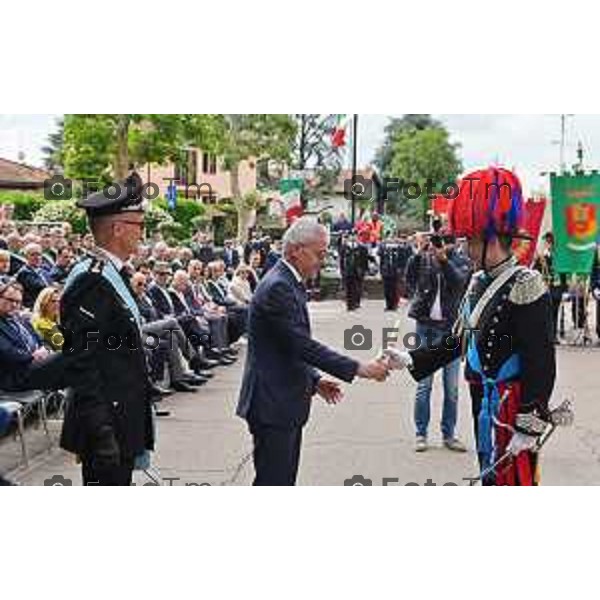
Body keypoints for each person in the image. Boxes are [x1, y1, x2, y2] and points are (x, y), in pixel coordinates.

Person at [386, 167, 557, 486]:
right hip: (484, 401)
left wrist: (528, 425)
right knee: (488, 475)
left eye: (470, 239)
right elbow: (460, 340)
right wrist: (414, 360)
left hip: (512, 407)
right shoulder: (477, 281)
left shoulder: (527, 283)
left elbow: (541, 363)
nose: (464, 247)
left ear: (490, 238)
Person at [236, 217, 390, 486]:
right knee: (275, 482)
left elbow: (286, 344)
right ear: (297, 250)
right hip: (272, 404)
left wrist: (314, 380)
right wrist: (359, 368)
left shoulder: (287, 280)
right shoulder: (278, 286)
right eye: (319, 253)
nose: (322, 260)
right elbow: (301, 344)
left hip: (281, 402)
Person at [58, 176, 155, 486]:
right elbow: (81, 362)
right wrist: (101, 431)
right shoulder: (92, 280)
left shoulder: (113, 274)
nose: (143, 232)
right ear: (117, 228)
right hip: (107, 423)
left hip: (121, 417)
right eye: (139, 224)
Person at [404, 229, 470, 453]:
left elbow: (459, 283)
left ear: (453, 244)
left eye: (445, 242)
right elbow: (409, 279)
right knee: (424, 384)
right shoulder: (424, 259)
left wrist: (443, 261)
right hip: (426, 328)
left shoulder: (461, 261)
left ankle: (448, 435)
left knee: (451, 388)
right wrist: (418, 253)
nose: (440, 246)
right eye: (437, 241)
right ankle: (421, 434)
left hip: (450, 331)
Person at [534, 232, 567, 344]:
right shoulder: (542, 258)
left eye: (549, 242)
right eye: (547, 242)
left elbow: (563, 274)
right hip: (545, 290)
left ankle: (554, 335)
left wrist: (565, 289)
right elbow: (536, 272)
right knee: (545, 314)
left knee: (555, 313)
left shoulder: (559, 257)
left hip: (557, 289)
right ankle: (547, 336)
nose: (548, 244)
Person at [340, 232, 369, 311]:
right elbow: (341, 260)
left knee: (357, 287)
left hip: (358, 271)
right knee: (348, 288)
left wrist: (364, 270)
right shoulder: (344, 247)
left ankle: (356, 302)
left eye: (355, 236)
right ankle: (349, 304)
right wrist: (342, 270)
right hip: (348, 270)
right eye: (351, 236)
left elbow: (364, 260)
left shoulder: (362, 247)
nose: (353, 237)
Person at [32, 286, 64, 351]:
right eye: (53, 301)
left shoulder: (57, 320)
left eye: (59, 301)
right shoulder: (41, 323)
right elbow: (62, 347)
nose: (57, 304)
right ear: (43, 303)